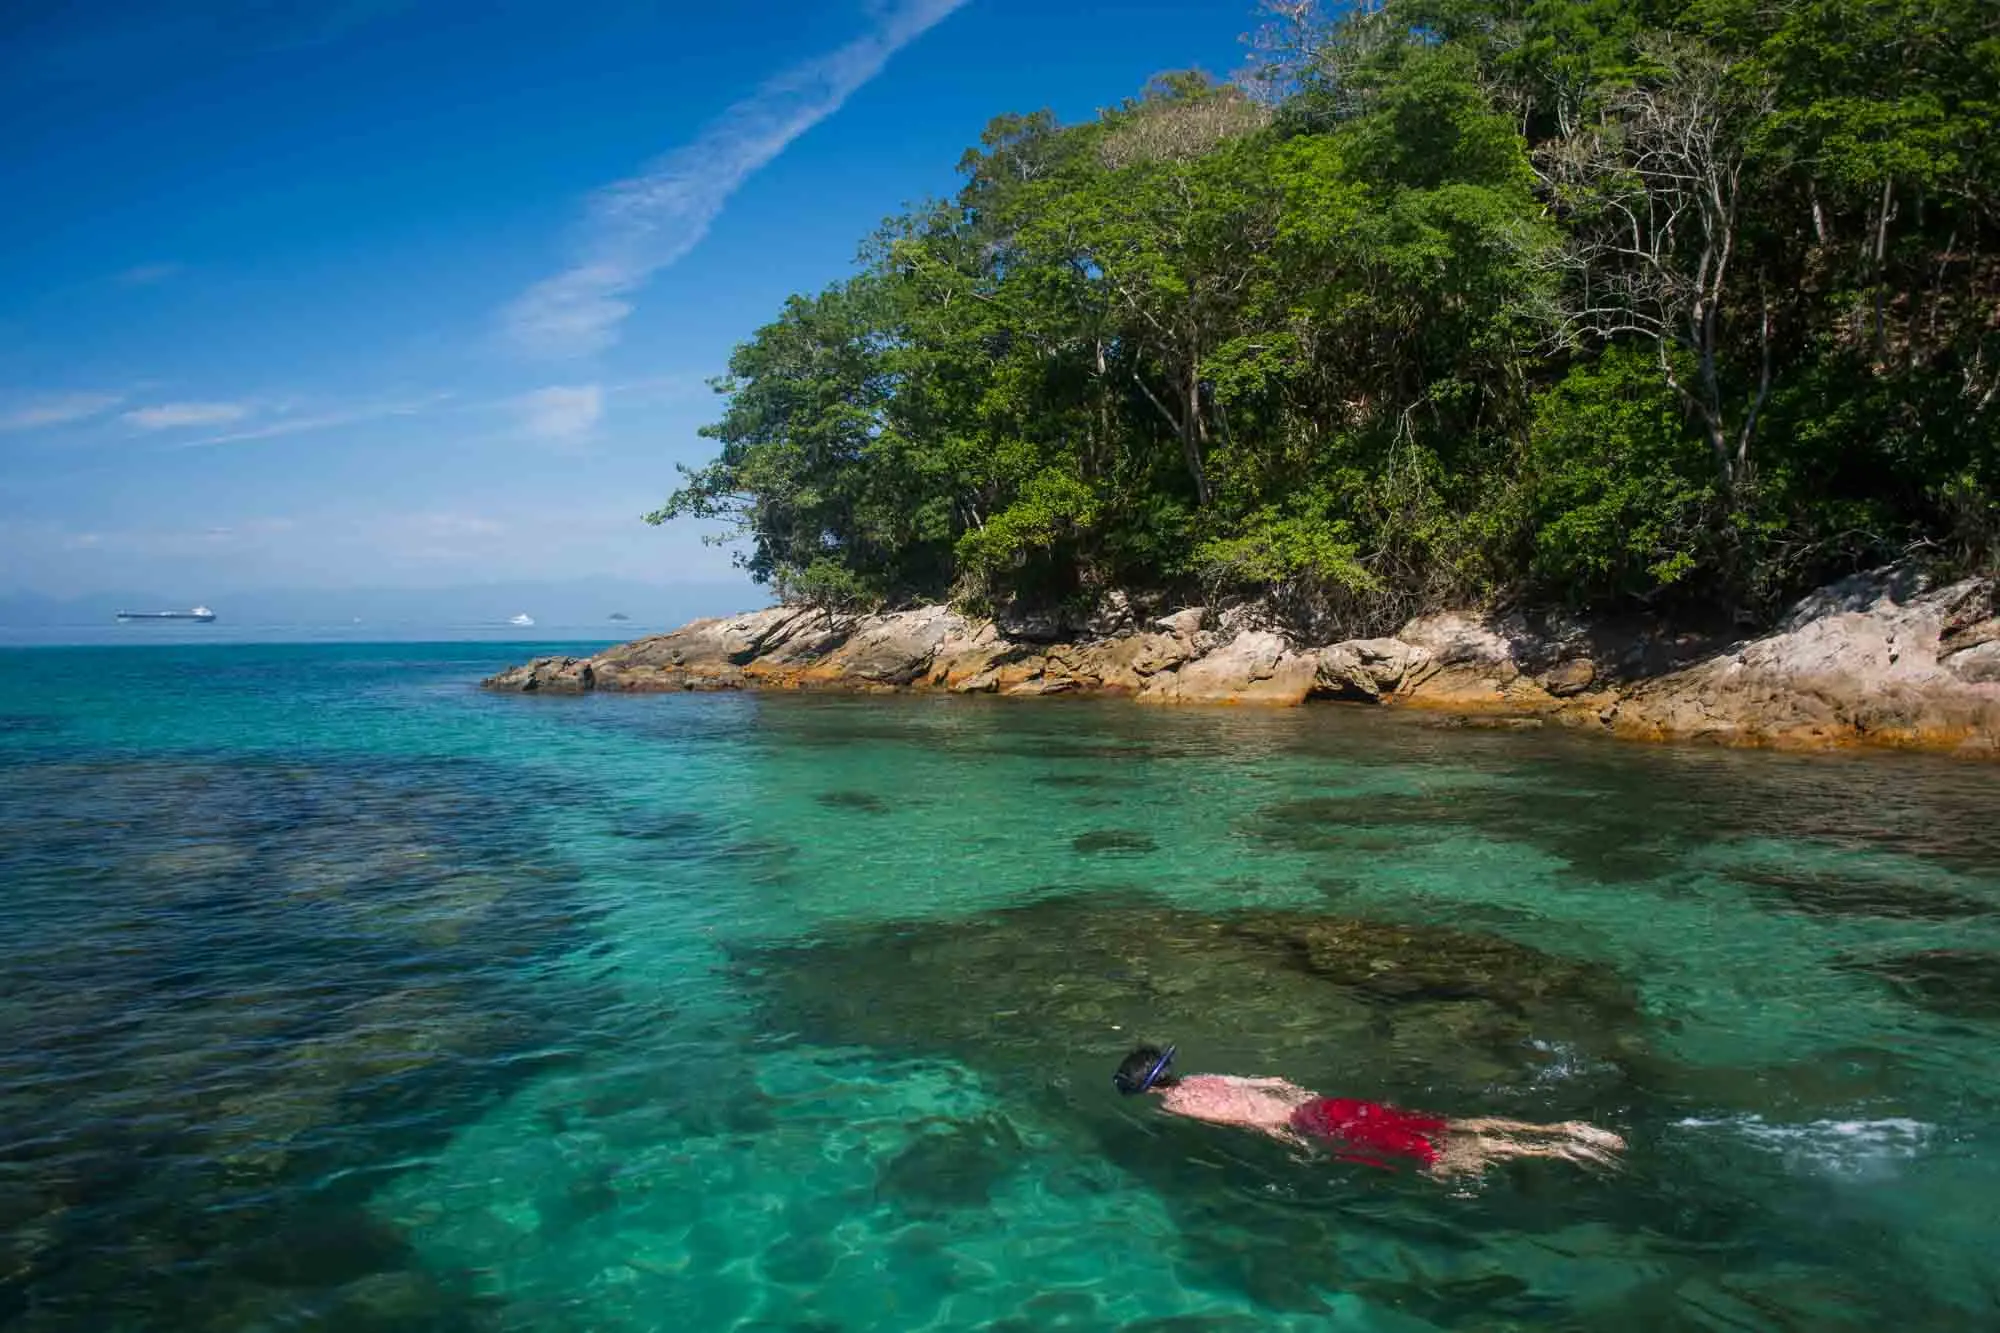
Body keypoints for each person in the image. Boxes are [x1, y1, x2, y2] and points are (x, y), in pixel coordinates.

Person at [1113, 1045, 1624, 1178]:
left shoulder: (1185, 1104)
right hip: (1324, 1104)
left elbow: (1251, 1122)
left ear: (1149, 1091)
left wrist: (1299, 1147)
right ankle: (1560, 1129)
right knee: (1442, 1124)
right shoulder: (1206, 1077)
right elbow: (1275, 1084)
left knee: (1435, 1155)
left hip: (1310, 1122)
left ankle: (1562, 1153)